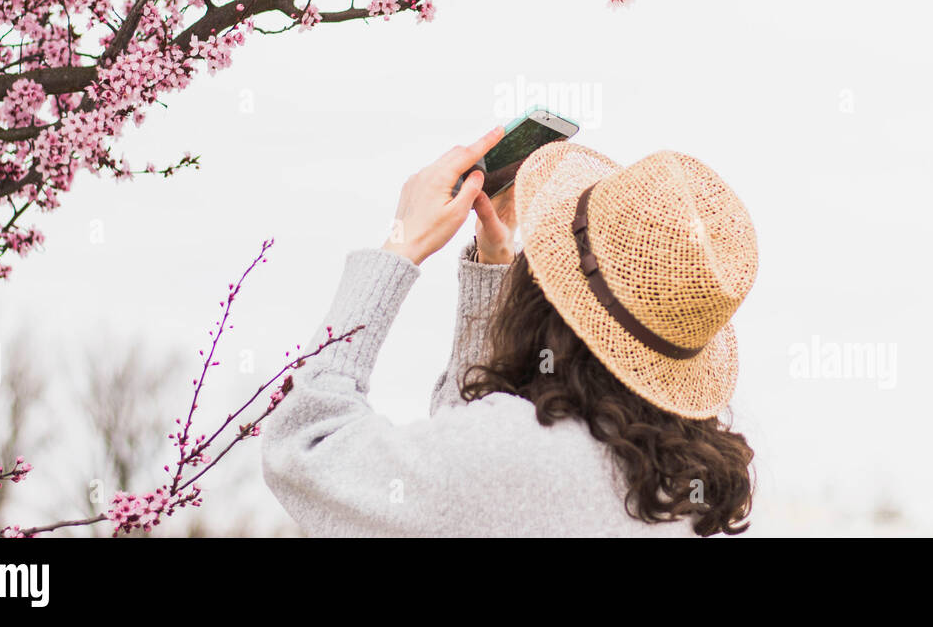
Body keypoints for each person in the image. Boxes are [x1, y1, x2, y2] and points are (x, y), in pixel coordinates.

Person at [262, 126, 760, 536]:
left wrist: (401, 246)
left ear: (548, 285)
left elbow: (306, 447)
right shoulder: (686, 487)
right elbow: (466, 491)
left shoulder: (516, 456)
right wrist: (494, 269)